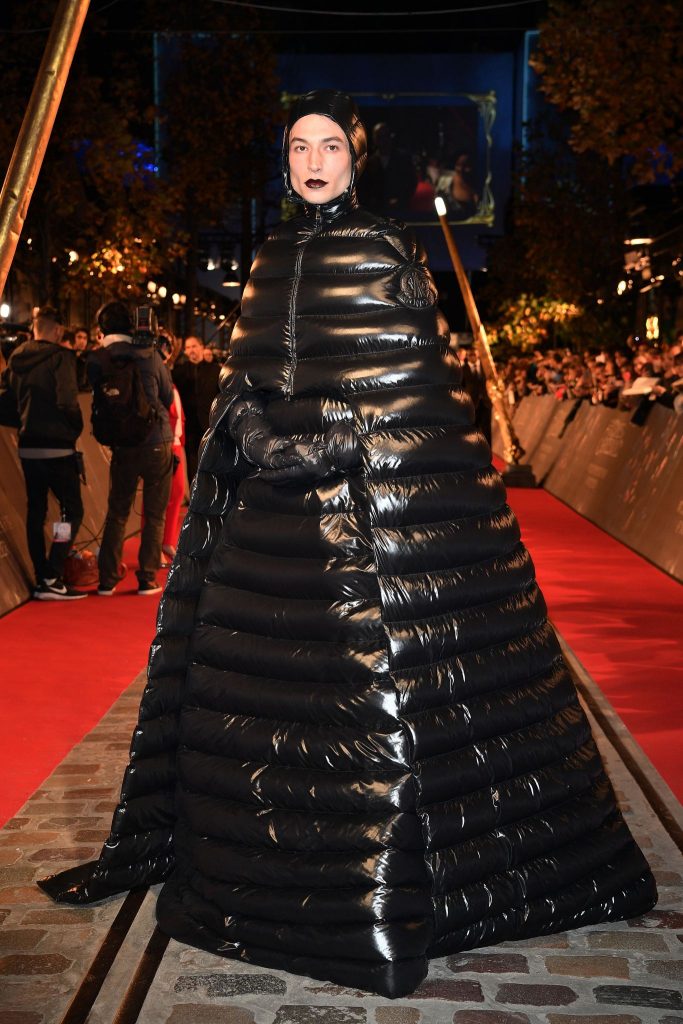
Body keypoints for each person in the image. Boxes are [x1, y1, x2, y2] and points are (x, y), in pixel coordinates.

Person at [40, 91, 656, 998]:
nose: (313, 160)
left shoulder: (384, 251)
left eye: (329, 145)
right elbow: (247, 381)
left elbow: (411, 396)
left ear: (354, 157)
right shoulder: (269, 256)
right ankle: (254, 880)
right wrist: (253, 438)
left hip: (362, 530)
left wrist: (334, 442)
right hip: (268, 528)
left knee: (373, 698)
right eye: (298, 146)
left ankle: (375, 903)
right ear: (284, 160)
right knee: (252, 684)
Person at [88, 301, 174, 596]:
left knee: (117, 512)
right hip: (156, 440)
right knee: (154, 513)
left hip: (122, 443)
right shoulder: (149, 354)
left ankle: (107, 580)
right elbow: (167, 395)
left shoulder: (99, 359)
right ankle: (147, 577)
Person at [5, 306, 86, 600]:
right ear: (57, 331)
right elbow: (67, 400)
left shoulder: (15, 359)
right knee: (70, 511)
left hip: (28, 447)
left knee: (35, 512)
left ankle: (42, 576)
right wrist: (73, 428)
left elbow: (9, 401)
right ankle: (53, 570)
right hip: (58, 447)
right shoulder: (61, 358)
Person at [172, 335, 220, 486]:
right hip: (190, 426)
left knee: (211, 462)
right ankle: (195, 496)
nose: (190, 350)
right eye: (187, 348)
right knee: (192, 464)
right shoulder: (179, 372)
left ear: (201, 347)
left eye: (193, 346)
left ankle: (212, 494)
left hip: (210, 425)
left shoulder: (216, 371)